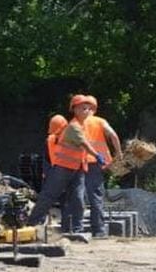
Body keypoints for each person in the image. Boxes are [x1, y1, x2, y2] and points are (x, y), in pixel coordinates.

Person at [27, 95, 101, 235]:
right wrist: (97, 156)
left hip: (77, 169)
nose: (87, 111)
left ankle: (74, 229)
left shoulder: (82, 126)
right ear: (75, 110)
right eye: (83, 108)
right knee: (49, 196)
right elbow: (84, 144)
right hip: (63, 168)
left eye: (89, 108)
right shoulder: (73, 127)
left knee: (77, 199)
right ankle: (32, 224)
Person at [82, 95, 123, 239]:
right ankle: (98, 230)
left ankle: (74, 227)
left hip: (79, 162)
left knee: (77, 194)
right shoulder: (100, 121)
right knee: (96, 196)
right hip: (97, 163)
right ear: (94, 108)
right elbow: (113, 135)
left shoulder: (76, 122)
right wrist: (119, 153)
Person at [44, 114, 81, 233]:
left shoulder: (51, 139)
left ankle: (69, 227)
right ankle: (70, 227)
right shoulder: (66, 138)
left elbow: (47, 159)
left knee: (67, 200)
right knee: (71, 199)